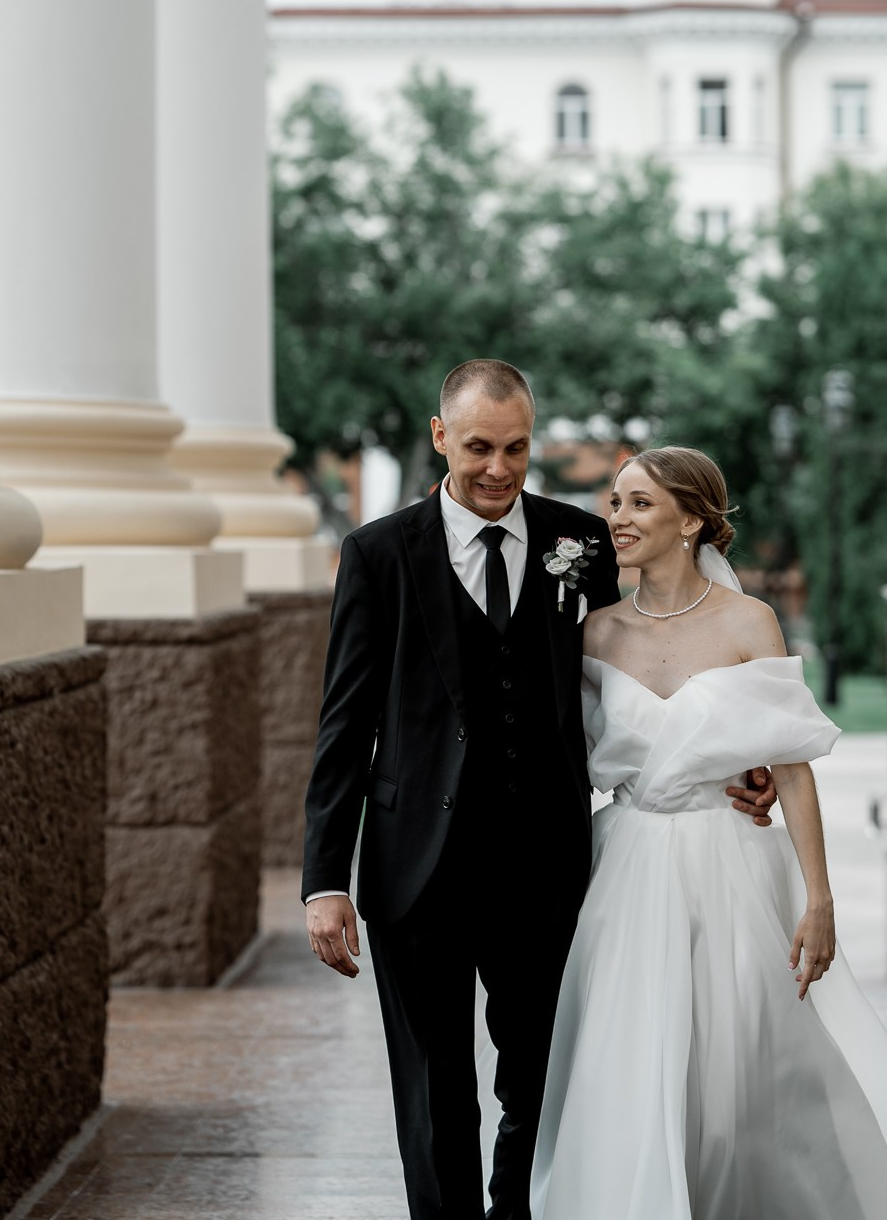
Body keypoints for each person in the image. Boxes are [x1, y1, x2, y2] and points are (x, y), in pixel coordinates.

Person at [301, 364, 777, 1220]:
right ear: (442, 436)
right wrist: (325, 879)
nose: (498, 467)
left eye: (516, 447)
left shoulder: (583, 544)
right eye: (479, 446)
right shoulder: (378, 554)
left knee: (543, 1078)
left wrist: (732, 753)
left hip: (548, 867)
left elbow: (640, 667)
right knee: (434, 1086)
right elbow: (345, 725)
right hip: (416, 870)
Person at [530, 445, 887, 1220]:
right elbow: (562, 758)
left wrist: (819, 897)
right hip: (627, 867)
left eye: (640, 503)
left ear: (693, 521)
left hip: (732, 864)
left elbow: (791, 765)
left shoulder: (751, 623)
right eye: (615, 502)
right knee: (630, 1061)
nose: (618, 518)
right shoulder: (594, 631)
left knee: (743, 1066)